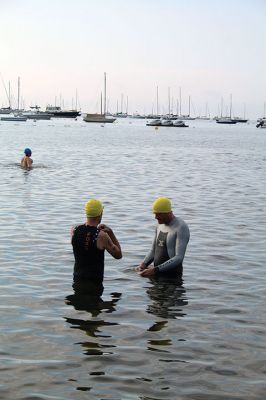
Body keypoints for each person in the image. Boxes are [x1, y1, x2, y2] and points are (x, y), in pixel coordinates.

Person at [71, 199, 122, 283]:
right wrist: (110, 232)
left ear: (86, 213)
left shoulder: (74, 230)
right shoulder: (101, 235)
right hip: (94, 282)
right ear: (100, 214)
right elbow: (118, 255)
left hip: (77, 279)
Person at [137, 197, 190, 278]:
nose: (155, 217)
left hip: (172, 278)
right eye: (155, 214)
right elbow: (153, 250)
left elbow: (179, 257)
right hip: (156, 275)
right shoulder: (159, 225)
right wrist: (144, 264)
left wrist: (155, 270)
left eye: (158, 214)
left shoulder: (181, 227)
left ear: (168, 213)